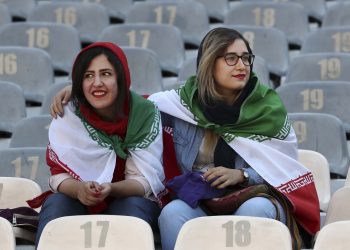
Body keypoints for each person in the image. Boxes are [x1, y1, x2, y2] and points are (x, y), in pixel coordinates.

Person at [50, 28, 320, 250]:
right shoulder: (180, 105)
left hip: (255, 197)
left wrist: (243, 176)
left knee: (256, 209)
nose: (242, 65)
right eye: (230, 58)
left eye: (246, 58)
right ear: (209, 63)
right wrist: (80, 90)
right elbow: (130, 105)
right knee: (172, 213)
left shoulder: (268, 110)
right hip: (200, 200)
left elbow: (282, 169)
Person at [32, 42, 166, 246]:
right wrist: (79, 190)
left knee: (131, 207)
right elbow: (58, 176)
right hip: (79, 196)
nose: (97, 83)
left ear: (122, 78)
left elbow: (144, 182)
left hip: (127, 197)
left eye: (106, 74)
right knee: (57, 203)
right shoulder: (69, 112)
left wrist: (109, 189)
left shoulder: (144, 114)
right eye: (88, 76)